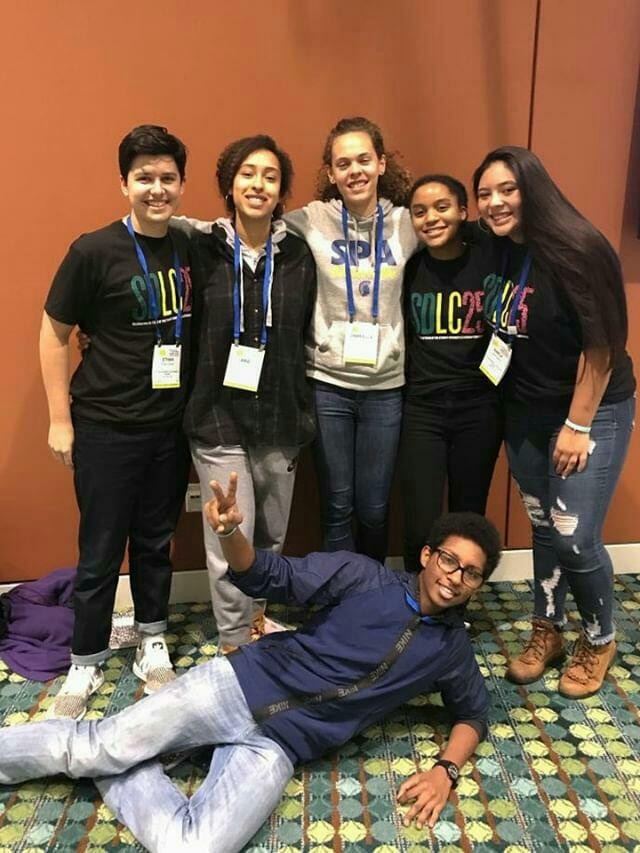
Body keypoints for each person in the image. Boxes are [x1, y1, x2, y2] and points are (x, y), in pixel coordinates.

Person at [0, 474, 501, 852]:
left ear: (479, 585)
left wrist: (445, 771)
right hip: (237, 684)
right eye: (449, 560)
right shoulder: (364, 577)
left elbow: (473, 714)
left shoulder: (451, 650)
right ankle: (110, 754)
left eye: (472, 574)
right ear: (428, 554)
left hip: (280, 746)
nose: (455, 578)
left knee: (192, 847)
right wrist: (229, 535)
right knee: (92, 746)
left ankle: (125, 766)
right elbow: (270, 576)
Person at [39, 125, 194, 720]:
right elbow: (53, 332)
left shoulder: (188, 246)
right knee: (101, 546)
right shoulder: (92, 250)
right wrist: (60, 420)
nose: (157, 189)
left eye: (168, 178)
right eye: (144, 178)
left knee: (156, 540)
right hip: (104, 423)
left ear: (181, 183)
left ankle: (151, 637)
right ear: (124, 183)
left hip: (169, 426)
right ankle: (85, 658)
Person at [472, 145, 636, 698]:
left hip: (588, 413)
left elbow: (603, 344)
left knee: (574, 537)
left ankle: (599, 637)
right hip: (525, 414)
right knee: (545, 525)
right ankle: (549, 629)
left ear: (534, 188)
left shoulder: (578, 248)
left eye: (507, 190)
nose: (495, 203)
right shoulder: (500, 249)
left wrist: (578, 425)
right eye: (486, 194)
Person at [180, 135, 317, 651]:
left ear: (282, 190)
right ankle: (236, 641)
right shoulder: (201, 249)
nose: (258, 184)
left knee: (271, 539)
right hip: (216, 417)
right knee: (227, 536)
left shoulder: (300, 255)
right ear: (229, 184)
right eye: (247, 173)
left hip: (282, 417)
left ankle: (257, 620)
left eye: (270, 176)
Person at [284, 117, 419, 562]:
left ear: (381, 164)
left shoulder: (408, 223)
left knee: (376, 507)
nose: (355, 171)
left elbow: (459, 229)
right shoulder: (312, 219)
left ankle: (373, 593)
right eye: (343, 163)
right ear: (330, 172)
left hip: (385, 388)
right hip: (328, 385)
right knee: (338, 504)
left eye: (364, 159)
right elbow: (248, 223)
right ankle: (341, 597)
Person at [399, 174, 503, 572]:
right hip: (423, 408)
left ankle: (457, 603)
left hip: (479, 407)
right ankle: (416, 601)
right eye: (420, 211)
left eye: (442, 207)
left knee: (468, 514)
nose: (431, 218)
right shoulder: (410, 268)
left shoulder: (489, 258)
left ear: (463, 211)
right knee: (420, 517)